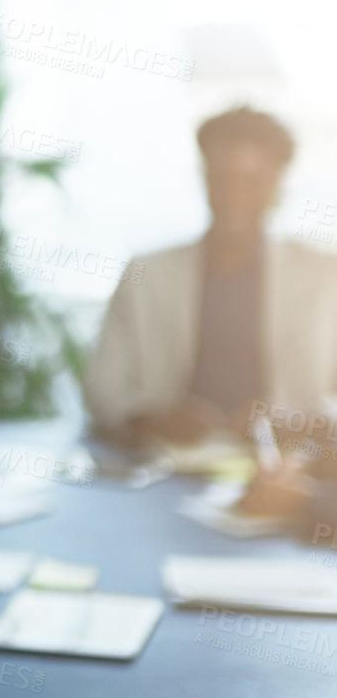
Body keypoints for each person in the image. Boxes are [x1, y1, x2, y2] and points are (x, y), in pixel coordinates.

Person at [84, 107, 337, 452]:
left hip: (285, 469)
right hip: (168, 465)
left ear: (278, 186)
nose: (235, 198)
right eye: (222, 180)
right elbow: (103, 389)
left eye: (252, 183)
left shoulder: (324, 275)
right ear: (204, 178)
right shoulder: (146, 274)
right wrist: (154, 417)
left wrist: (294, 421)